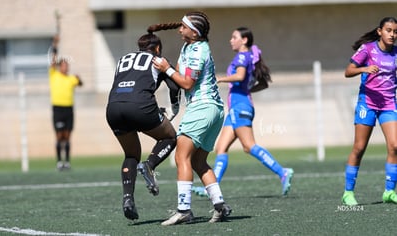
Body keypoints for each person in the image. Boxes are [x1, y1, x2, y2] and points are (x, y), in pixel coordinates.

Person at [192, 27, 294, 197]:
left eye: (234, 37)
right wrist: (247, 91)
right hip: (238, 107)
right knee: (221, 148)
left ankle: (282, 172)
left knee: (249, 146)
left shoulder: (242, 56)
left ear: (244, 40)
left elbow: (239, 76)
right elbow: (263, 84)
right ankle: (212, 187)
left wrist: (220, 79)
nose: (231, 40)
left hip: (240, 107)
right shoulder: (250, 57)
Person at [152, 11, 232, 225]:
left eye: (184, 26)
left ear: (194, 32)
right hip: (211, 110)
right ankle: (220, 206)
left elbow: (187, 83)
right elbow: (177, 78)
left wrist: (166, 68)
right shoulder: (188, 47)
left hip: (203, 108)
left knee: (181, 157)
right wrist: (166, 71)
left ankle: (184, 210)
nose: (180, 29)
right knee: (198, 161)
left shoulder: (199, 50)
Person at [106, 28, 181, 221]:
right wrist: (174, 107)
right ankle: (150, 165)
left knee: (131, 154)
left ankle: (127, 198)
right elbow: (174, 85)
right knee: (170, 137)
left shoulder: (123, 59)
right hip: (140, 108)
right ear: (157, 48)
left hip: (113, 108)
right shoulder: (158, 60)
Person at [341, 17, 397, 206]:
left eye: (395, 32)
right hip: (368, 103)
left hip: (389, 104)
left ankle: (389, 191)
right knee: (359, 148)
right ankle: (348, 192)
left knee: (395, 146)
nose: (392, 34)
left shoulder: (396, 53)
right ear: (380, 31)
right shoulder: (368, 49)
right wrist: (365, 68)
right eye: (389, 30)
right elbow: (348, 71)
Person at [49, 35, 83, 171]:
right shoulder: (54, 74)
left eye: (67, 65)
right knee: (59, 136)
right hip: (58, 109)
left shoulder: (71, 79)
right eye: (63, 65)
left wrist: (79, 79)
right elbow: (52, 60)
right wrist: (55, 45)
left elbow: (80, 84)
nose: (66, 67)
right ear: (59, 67)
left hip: (69, 109)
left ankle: (67, 162)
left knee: (68, 136)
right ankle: (59, 162)